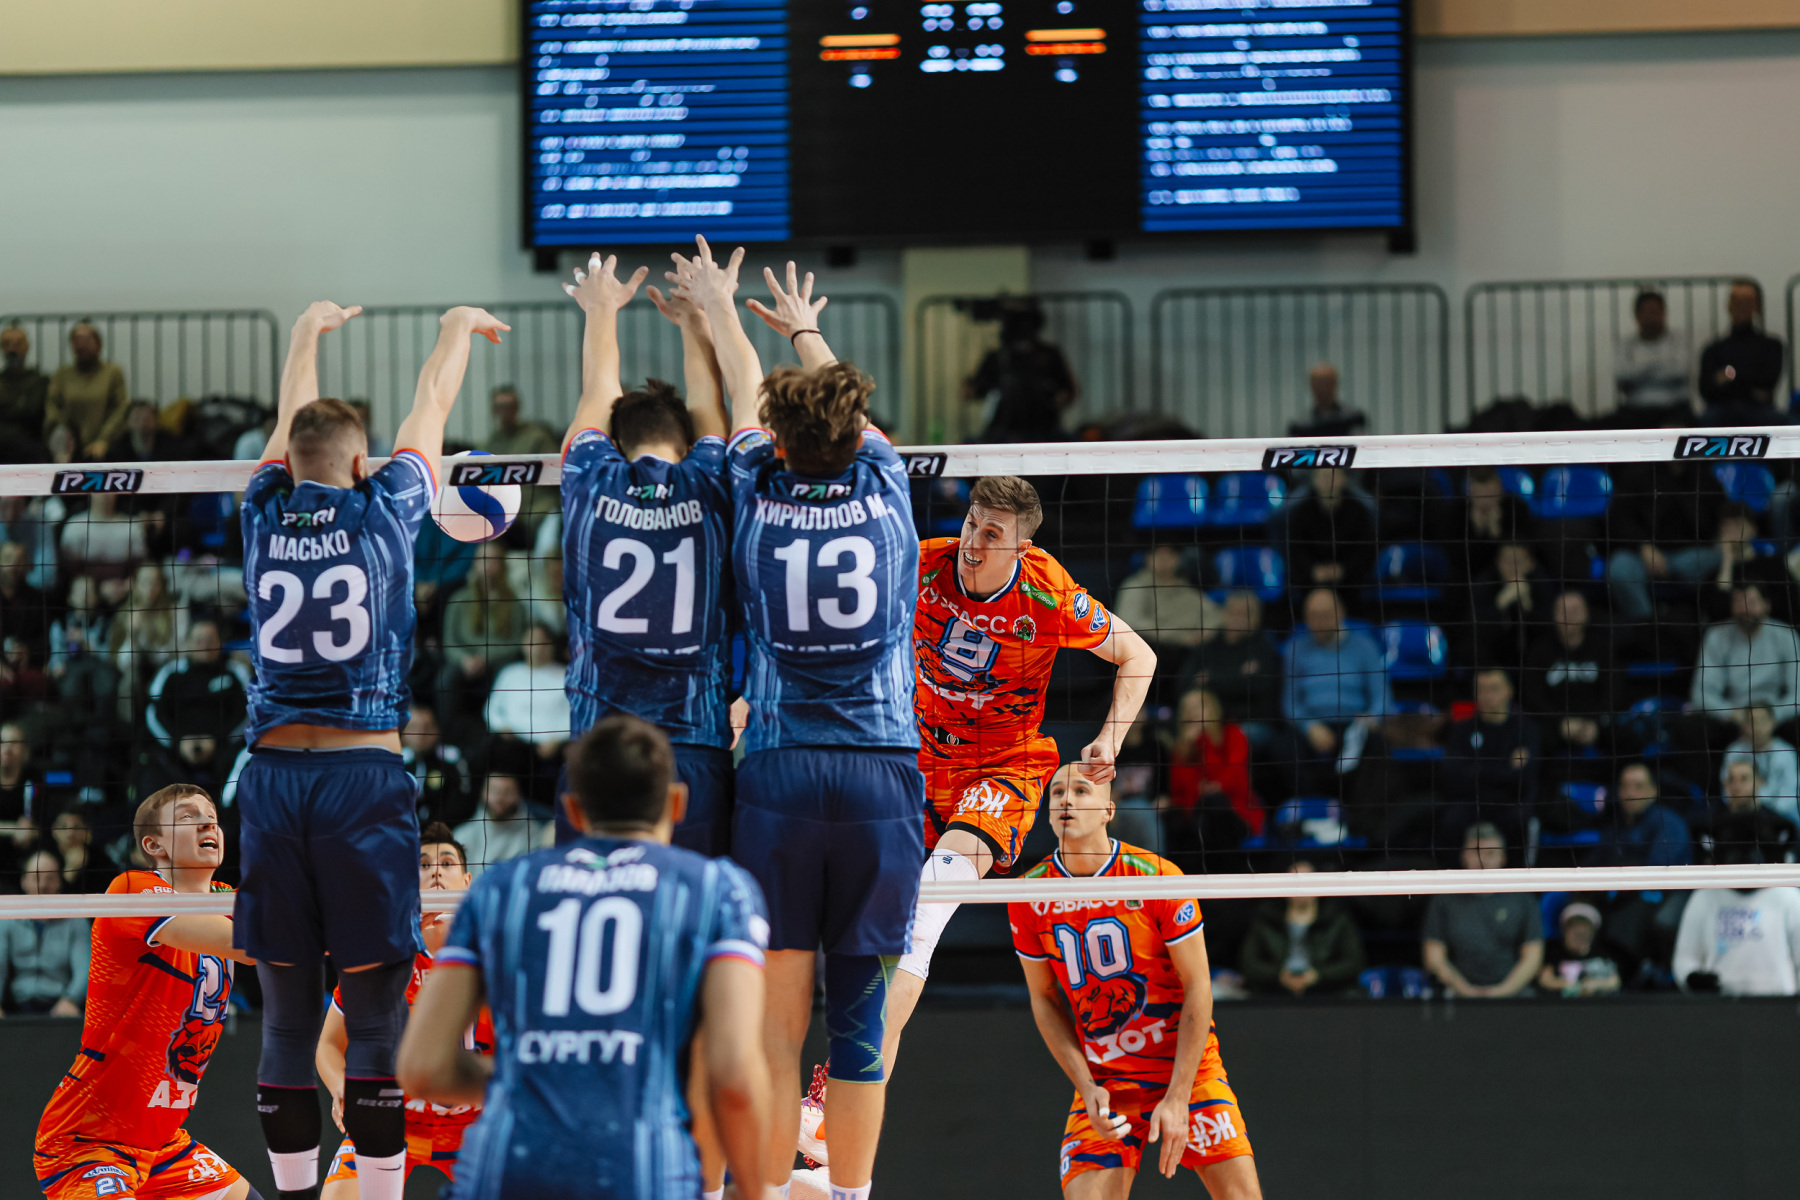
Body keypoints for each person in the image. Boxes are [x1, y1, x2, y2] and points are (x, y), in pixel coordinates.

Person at [234, 299, 505, 1200]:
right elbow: (430, 406)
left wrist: (304, 336)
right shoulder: (388, 507)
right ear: (362, 464)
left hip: (273, 777)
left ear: (289, 463)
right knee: (376, 1018)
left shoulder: (260, 509)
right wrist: (454, 330)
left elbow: (291, 426)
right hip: (363, 776)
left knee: (286, 1020)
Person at [678, 237, 922, 1200]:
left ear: (778, 442)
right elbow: (821, 408)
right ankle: (851, 1198)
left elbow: (746, 391)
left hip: (778, 771)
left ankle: (766, 1193)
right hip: (878, 775)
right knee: (859, 1032)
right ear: (857, 436)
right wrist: (808, 330)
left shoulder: (752, 488)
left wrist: (717, 305)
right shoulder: (887, 485)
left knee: (775, 1031)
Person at [396, 714, 775, 1200]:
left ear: (573, 810)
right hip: (643, 1173)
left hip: (507, 1171)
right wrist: (754, 1190)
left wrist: (535, 1078)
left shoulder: (500, 890)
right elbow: (734, 1076)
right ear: (676, 802)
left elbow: (422, 1068)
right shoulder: (716, 889)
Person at [897, 472, 1157, 1057]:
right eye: (971, 524)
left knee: (926, 914)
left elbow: (1138, 655)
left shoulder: (1048, 595)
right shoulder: (921, 563)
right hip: (917, 755)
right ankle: (839, 1100)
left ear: (1022, 546)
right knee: (876, 930)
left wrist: (1110, 739)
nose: (973, 543)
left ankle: (841, 1077)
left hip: (1003, 763)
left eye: (993, 534)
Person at [555, 251, 736, 855]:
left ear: (615, 441)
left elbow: (598, 391)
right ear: (687, 443)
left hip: (600, 747)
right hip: (693, 744)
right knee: (691, 905)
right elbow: (709, 402)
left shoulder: (588, 478)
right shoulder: (709, 479)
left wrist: (601, 310)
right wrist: (694, 321)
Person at [1009, 764, 1262, 1199]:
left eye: (1081, 791)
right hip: (1111, 1083)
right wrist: (1086, 1086)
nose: (1066, 800)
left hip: (1188, 1073)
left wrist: (1179, 1096)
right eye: (1057, 793)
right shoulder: (1027, 894)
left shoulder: (1156, 877)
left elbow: (1198, 986)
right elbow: (1043, 998)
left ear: (1108, 810)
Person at [34, 784, 259, 1200]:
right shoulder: (132, 889)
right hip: (87, 1140)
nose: (208, 823)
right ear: (154, 845)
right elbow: (254, 943)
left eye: (212, 816)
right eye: (189, 816)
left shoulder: (228, 898)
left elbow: (297, 941)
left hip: (164, 1144)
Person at [316, 823, 493, 1198]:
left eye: (446, 863)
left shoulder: (496, 950)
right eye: (423, 864)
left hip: (479, 1126)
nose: (435, 871)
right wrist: (341, 1087)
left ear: (467, 881)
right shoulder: (381, 955)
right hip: (392, 1117)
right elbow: (329, 1044)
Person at [1280, 588, 1393, 796]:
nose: (1318, 622)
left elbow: (1383, 697)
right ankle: (1311, 807)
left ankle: (1362, 811)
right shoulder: (1294, 649)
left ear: (1341, 613)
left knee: (1378, 744)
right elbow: (1290, 702)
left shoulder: (1365, 647)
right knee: (1285, 746)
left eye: (1324, 615)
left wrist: (1371, 718)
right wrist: (1309, 726)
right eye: (1312, 616)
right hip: (1314, 725)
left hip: (1355, 724)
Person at [1674, 812, 1800, 996]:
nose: (1745, 858)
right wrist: (1692, 978)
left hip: (1777, 1002)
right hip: (1720, 1004)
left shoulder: (1787, 896)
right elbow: (1685, 956)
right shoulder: (1704, 897)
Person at [1421, 823, 1544, 998]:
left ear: (1502, 858)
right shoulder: (1444, 898)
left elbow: (1533, 957)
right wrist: (1466, 992)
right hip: (1457, 994)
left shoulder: (1522, 898)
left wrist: (1501, 993)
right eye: (1476, 852)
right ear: (1464, 855)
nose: (1482, 860)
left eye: (1491, 853)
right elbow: (1434, 957)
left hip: (1514, 995)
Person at [1610, 502, 1761, 626]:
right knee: (1620, 568)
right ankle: (1647, 627)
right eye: (1728, 527)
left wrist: (1727, 555)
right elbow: (1620, 517)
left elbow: (1720, 604)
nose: (1733, 533)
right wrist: (1642, 545)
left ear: (1753, 529)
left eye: (1738, 526)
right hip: (1640, 554)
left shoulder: (1764, 563)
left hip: (1692, 557)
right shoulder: (1637, 478)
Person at [1689, 582, 1800, 748]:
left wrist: (1771, 716)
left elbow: (1798, 692)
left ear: (1766, 605)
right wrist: (1733, 714)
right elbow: (1701, 694)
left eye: (1752, 602)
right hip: (1733, 716)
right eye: (1739, 603)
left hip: (1775, 714)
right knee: (1692, 727)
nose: (1745, 610)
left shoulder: (1786, 635)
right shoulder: (1716, 636)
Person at [1162, 688, 1261, 870]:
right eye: (1187, 709)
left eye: (1198, 707)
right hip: (1194, 817)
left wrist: (1204, 741)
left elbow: (1232, 779)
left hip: (1235, 812)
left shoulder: (1233, 734)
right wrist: (1187, 747)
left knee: (1213, 803)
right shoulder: (1182, 747)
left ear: (1214, 709)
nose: (1192, 713)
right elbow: (1180, 788)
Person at [1441, 668, 1540, 851]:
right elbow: (1453, 775)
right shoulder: (1462, 730)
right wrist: (1506, 767)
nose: (1486, 695)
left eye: (1494, 688)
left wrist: (1477, 769)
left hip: (1511, 803)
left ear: (1509, 690)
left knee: (1522, 820)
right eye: (1481, 689)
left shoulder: (1526, 730)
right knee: (1450, 819)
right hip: (1472, 802)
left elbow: (1524, 778)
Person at [1522, 590, 1614, 784]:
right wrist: (1561, 723)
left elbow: (1614, 691)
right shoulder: (1539, 650)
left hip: (1594, 723)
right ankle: (1542, 795)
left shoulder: (1603, 647)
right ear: (1553, 615)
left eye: (1574, 610)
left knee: (1625, 736)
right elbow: (1533, 697)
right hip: (1554, 724)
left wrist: (1594, 723)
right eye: (1563, 610)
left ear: (1586, 614)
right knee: (1534, 739)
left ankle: (1619, 789)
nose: (1568, 616)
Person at [1237, 861, 1365, 997]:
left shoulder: (1336, 919)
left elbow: (1354, 962)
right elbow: (1249, 963)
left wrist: (1318, 975)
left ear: (1318, 885)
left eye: (1306, 882)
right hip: (1273, 992)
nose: (1301, 888)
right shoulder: (1267, 918)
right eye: (1294, 882)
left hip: (1328, 992)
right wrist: (1279, 975)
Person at [962, 297, 1076, 442]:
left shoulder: (1049, 355)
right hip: (1003, 429)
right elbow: (975, 390)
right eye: (1017, 322)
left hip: (1044, 428)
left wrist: (1056, 398)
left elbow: (1069, 391)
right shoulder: (997, 357)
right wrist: (971, 387)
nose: (1022, 328)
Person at [1182, 590, 1283, 741]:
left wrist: (1210, 680)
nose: (1238, 619)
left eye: (1245, 614)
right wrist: (1237, 677)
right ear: (1223, 613)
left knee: (1240, 735)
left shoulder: (1265, 649)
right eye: (1233, 612)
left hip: (1249, 722)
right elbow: (1184, 685)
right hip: (1209, 720)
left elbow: (1259, 688)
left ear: (1257, 618)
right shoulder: (1208, 646)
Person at [1, 847, 89, 1013]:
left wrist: (71, 999)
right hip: (18, 1006)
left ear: (59, 882)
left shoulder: (76, 922)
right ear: (23, 881)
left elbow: (84, 969)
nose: (42, 885)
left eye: (50, 878)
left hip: (62, 1004)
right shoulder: (8, 919)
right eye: (36, 877)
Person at [145, 620, 252, 756]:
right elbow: (154, 712)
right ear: (188, 643)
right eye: (199, 640)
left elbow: (247, 712)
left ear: (220, 642)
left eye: (211, 640)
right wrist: (177, 743)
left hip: (225, 750)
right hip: (175, 751)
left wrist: (219, 741)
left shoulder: (235, 672)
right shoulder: (171, 672)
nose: (205, 645)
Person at [482, 622, 571, 764]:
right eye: (531, 641)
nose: (536, 648)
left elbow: (574, 715)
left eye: (541, 642)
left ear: (551, 645)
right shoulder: (509, 673)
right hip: (512, 742)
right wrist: (501, 726)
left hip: (551, 746)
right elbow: (491, 708)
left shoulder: (567, 676)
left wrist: (557, 739)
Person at [1697, 280, 1785, 417]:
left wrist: (1729, 376)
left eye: (1747, 302)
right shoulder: (1713, 350)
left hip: (1760, 410)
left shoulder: (1771, 346)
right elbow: (1707, 390)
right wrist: (1750, 383)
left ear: (1757, 307)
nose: (1742, 307)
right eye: (1737, 302)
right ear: (1729, 306)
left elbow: (1768, 383)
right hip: (1722, 409)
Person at [1281, 467, 1376, 591]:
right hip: (1309, 583)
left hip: (1351, 583)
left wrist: (1343, 570)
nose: (1328, 481)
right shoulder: (1301, 513)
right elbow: (1295, 551)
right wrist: (1313, 571)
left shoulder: (1359, 511)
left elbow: (1365, 550)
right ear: (1314, 480)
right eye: (1323, 476)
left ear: (1344, 479)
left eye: (1333, 475)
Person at [45, 322, 129, 460]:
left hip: (106, 446)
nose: (81, 346)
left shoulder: (112, 372)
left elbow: (120, 409)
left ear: (98, 344)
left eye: (86, 340)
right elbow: (53, 407)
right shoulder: (62, 374)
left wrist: (104, 440)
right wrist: (60, 432)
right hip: (69, 445)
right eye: (76, 341)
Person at [452, 774, 550, 878]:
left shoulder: (534, 835)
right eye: (494, 791)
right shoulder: (462, 836)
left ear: (518, 795)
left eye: (507, 792)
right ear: (483, 793)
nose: (500, 798)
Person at [1613, 289, 1691, 413]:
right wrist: (1661, 366)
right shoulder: (1625, 345)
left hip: (1674, 408)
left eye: (1655, 311)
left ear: (1664, 313)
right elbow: (1622, 377)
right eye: (1647, 312)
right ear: (1637, 316)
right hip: (1635, 409)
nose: (1651, 317)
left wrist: (1641, 371)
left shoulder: (1679, 340)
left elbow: (1681, 371)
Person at [1722, 705, 1800, 824]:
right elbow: (1726, 789)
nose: (1756, 726)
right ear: (1744, 725)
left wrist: (1766, 812)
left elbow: (1790, 793)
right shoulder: (1734, 751)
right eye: (1751, 722)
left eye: (1761, 721)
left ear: (1773, 723)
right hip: (1743, 810)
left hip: (1781, 812)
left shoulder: (1786, 752)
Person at [401, 703, 474, 828]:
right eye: (413, 728)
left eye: (427, 728)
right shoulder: (395, 763)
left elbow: (462, 804)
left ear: (437, 730)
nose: (420, 734)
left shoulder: (452, 759)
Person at [1536, 902, 1621, 997]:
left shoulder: (1604, 953)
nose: (1580, 937)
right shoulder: (1554, 953)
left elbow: (1615, 981)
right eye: (1575, 933)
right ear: (1565, 931)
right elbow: (1545, 980)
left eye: (1584, 933)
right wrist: (1573, 986)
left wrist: (1595, 984)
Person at [0, 323, 49, 461]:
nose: (12, 349)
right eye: (7, 344)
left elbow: (32, 412)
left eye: (17, 344)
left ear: (26, 347)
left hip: (29, 447)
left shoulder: (39, 381)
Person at [1286, 360, 1367, 438]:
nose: (1324, 389)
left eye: (1328, 383)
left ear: (1335, 383)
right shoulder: (1300, 425)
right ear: (1311, 386)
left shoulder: (1353, 418)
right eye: (1319, 384)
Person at [482, 384, 559, 457]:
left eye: (509, 406)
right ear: (494, 410)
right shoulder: (495, 440)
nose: (505, 411)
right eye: (500, 406)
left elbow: (553, 462)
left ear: (517, 407)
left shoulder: (537, 437)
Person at [107, 398, 186, 463]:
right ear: (127, 421)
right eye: (137, 417)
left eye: (148, 417)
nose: (143, 421)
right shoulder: (117, 448)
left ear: (156, 420)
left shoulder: (172, 445)